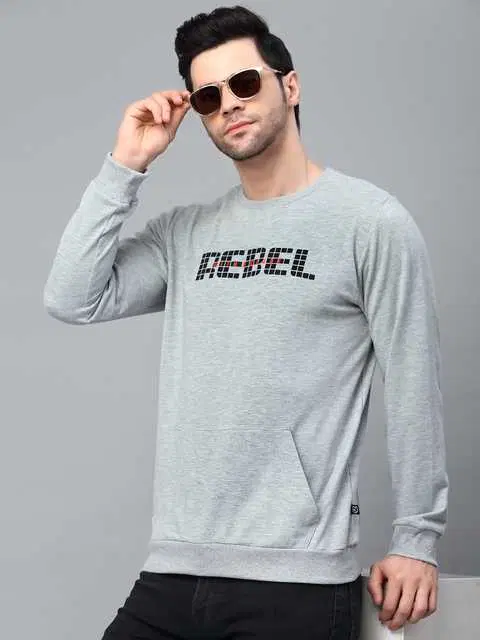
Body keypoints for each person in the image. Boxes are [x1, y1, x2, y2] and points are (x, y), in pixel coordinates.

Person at [43, 5, 449, 639]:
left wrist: (416, 539)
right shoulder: (185, 234)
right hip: (173, 570)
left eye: (245, 82)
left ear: (291, 86)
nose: (229, 103)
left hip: (298, 583)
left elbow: (414, 381)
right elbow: (72, 297)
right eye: (209, 96)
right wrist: (126, 165)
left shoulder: (370, 223)